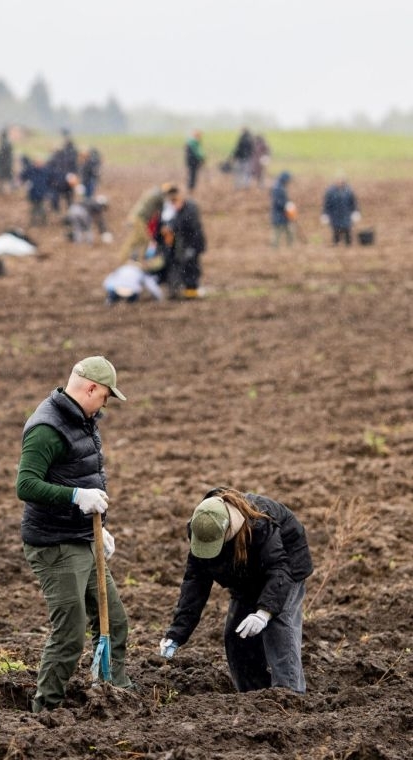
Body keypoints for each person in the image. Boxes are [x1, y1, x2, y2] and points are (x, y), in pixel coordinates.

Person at [17, 356, 134, 712]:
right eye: (105, 396)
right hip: (55, 544)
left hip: (83, 537)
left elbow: (81, 474)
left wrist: (101, 529)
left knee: (113, 620)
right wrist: (74, 497)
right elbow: (26, 484)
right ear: (91, 388)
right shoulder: (47, 428)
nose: (106, 404)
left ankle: (115, 692)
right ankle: (46, 710)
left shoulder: (82, 420)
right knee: (69, 633)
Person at [159, 487, 312, 694]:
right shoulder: (202, 529)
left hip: (285, 569)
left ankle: (290, 695)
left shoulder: (259, 526)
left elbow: (278, 569)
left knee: (279, 625)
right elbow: (195, 583)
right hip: (245, 575)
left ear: (227, 532)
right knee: (237, 636)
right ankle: (253, 694)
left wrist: (263, 613)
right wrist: (177, 633)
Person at [161, 185, 207, 299]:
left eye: (175, 203)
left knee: (192, 267)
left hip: (193, 244)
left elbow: (195, 230)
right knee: (182, 266)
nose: (174, 206)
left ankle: (192, 292)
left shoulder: (190, 210)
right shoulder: (179, 211)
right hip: (184, 244)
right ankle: (183, 291)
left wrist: (192, 248)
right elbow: (175, 222)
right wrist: (169, 227)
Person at [118, 183, 169, 262]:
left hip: (135, 217)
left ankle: (124, 258)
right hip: (140, 219)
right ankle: (134, 259)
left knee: (135, 239)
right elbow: (163, 209)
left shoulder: (153, 193)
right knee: (144, 239)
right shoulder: (159, 197)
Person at [321, 175, 360, 246]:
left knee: (347, 232)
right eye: (338, 180)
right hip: (335, 217)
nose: (340, 182)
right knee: (336, 233)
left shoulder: (349, 191)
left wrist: (356, 212)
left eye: (341, 181)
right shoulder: (330, 192)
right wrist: (325, 214)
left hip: (346, 216)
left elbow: (353, 203)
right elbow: (327, 205)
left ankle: (348, 246)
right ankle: (336, 246)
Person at [269, 172, 297, 248]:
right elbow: (278, 202)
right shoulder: (277, 188)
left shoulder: (280, 187)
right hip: (279, 215)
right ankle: (274, 249)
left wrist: (288, 204)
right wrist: (287, 205)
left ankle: (290, 247)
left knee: (290, 232)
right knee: (277, 233)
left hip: (284, 216)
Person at [0, 129, 14, 194]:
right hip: (8, 165)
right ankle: (6, 193)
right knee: (7, 179)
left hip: (3, 166)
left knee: (2, 179)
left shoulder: (4, 144)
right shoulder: (8, 144)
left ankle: (2, 193)